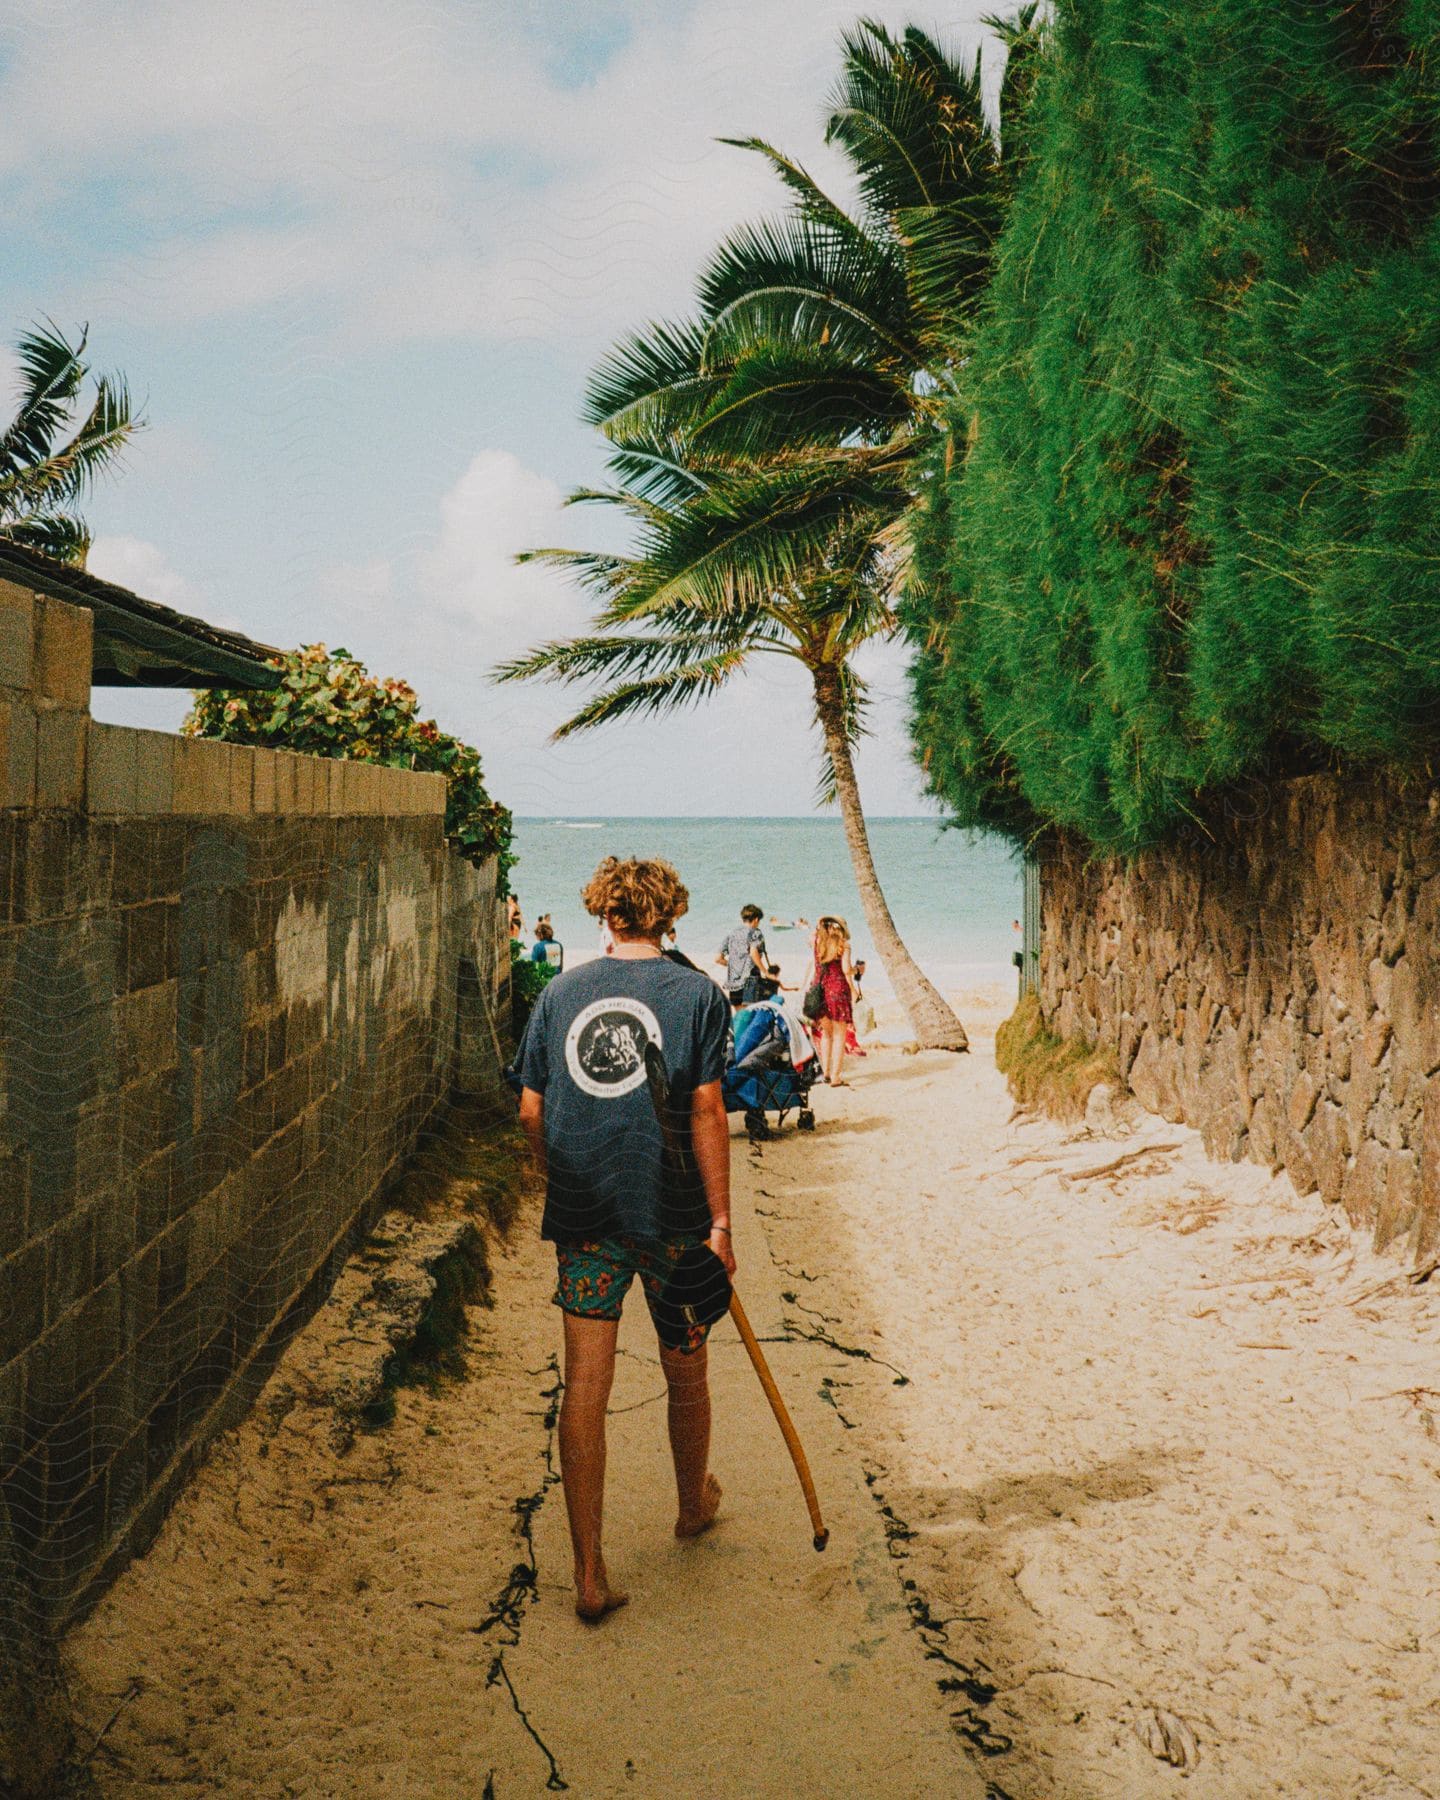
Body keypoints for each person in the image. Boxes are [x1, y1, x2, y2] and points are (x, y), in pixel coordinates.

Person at [516, 856, 735, 1623]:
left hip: (586, 1218)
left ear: (602, 914)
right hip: (672, 1216)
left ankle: (587, 1572)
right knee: (687, 1370)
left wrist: (557, 1179)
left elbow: (531, 1113)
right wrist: (720, 1224)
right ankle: (690, 1505)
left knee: (586, 1388)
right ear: (669, 915)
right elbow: (707, 1111)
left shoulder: (559, 994)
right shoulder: (697, 994)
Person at [810, 915, 856, 1087]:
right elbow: (845, 969)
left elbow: (814, 930)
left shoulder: (817, 944)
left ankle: (826, 1073)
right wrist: (857, 969)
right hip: (837, 992)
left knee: (826, 1034)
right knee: (839, 1036)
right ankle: (836, 1077)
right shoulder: (843, 946)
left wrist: (822, 922)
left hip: (819, 991)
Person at [717, 903, 768, 1008]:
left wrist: (735, 964)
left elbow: (718, 959)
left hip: (733, 982)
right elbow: (754, 953)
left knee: (740, 1017)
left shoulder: (731, 934)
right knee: (750, 1013)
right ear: (756, 919)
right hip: (750, 979)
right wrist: (765, 972)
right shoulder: (756, 933)